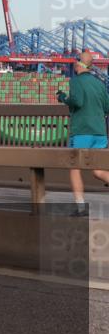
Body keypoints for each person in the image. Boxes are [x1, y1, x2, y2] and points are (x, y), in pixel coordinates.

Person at [57, 51, 109, 217]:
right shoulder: (100, 83)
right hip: (100, 133)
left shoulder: (76, 81)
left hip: (82, 131)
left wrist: (63, 98)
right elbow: (107, 107)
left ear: (79, 64)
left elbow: (77, 101)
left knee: (75, 168)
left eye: (75, 61)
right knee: (98, 170)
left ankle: (80, 207)